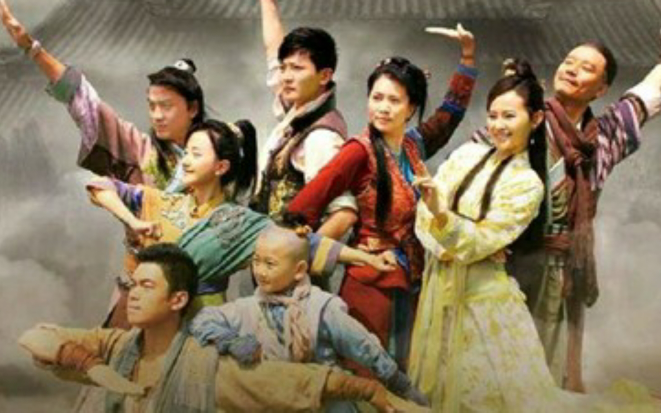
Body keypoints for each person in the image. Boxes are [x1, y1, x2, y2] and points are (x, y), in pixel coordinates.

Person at [410, 59, 659, 412]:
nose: (498, 125)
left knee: (494, 399)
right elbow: (425, 215)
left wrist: (444, 220)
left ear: (536, 119)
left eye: (509, 117)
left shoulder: (528, 183)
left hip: (484, 303)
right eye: (493, 115)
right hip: (439, 289)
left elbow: (476, 240)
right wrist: (447, 237)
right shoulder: (467, 153)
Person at [18, 243, 413, 413]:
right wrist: (90, 365)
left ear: (178, 300)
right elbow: (34, 337)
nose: (133, 295)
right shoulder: (116, 346)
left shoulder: (208, 367)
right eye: (133, 285)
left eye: (147, 286)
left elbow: (299, 381)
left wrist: (373, 391)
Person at [471, 40, 661, 391]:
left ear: (601, 89)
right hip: (508, 264)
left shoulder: (604, 136)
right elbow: (468, 174)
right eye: (569, 61)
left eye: (587, 68)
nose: (572, 70)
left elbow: (649, 94)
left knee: (551, 372)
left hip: (564, 270)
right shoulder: (525, 119)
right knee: (500, 368)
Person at [287, 25, 477, 369]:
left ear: (411, 107)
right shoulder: (357, 152)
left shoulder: (412, 145)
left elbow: (448, 116)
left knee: (405, 370)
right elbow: (303, 207)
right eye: (377, 98)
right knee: (365, 373)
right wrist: (306, 248)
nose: (383, 108)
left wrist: (467, 59)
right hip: (370, 282)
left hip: (412, 277)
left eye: (394, 100)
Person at [88, 119, 397, 326]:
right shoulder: (159, 202)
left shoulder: (241, 222)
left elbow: (306, 245)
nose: (186, 161)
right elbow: (101, 186)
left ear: (221, 167)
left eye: (195, 154)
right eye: (186, 153)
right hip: (144, 319)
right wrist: (132, 221)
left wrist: (368, 258)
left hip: (200, 325)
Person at [190, 226, 429, 411]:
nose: (260, 271)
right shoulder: (247, 308)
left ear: (299, 270)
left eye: (270, 264)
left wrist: (401, 385)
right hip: (276, 402)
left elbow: (365, 347)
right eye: (256, 261)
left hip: (326, 402)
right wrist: (231, 341)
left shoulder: (322, 308)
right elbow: (202, 321)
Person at [0, 0, 204, 191]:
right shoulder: (141, 152)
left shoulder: (217, 149)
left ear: (192, 108)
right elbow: (80, 97)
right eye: (152, 106)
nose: (157, 116)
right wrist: (31, 48)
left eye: (166, 106)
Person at [252, 0, 357, 238]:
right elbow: (273, 51)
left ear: (324, 76)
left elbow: (344, 214)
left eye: (297, 69)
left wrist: (304, 253)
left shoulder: (321, 137)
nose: (286, 77)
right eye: (284, 68)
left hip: (290, 255)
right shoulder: (298, 109)